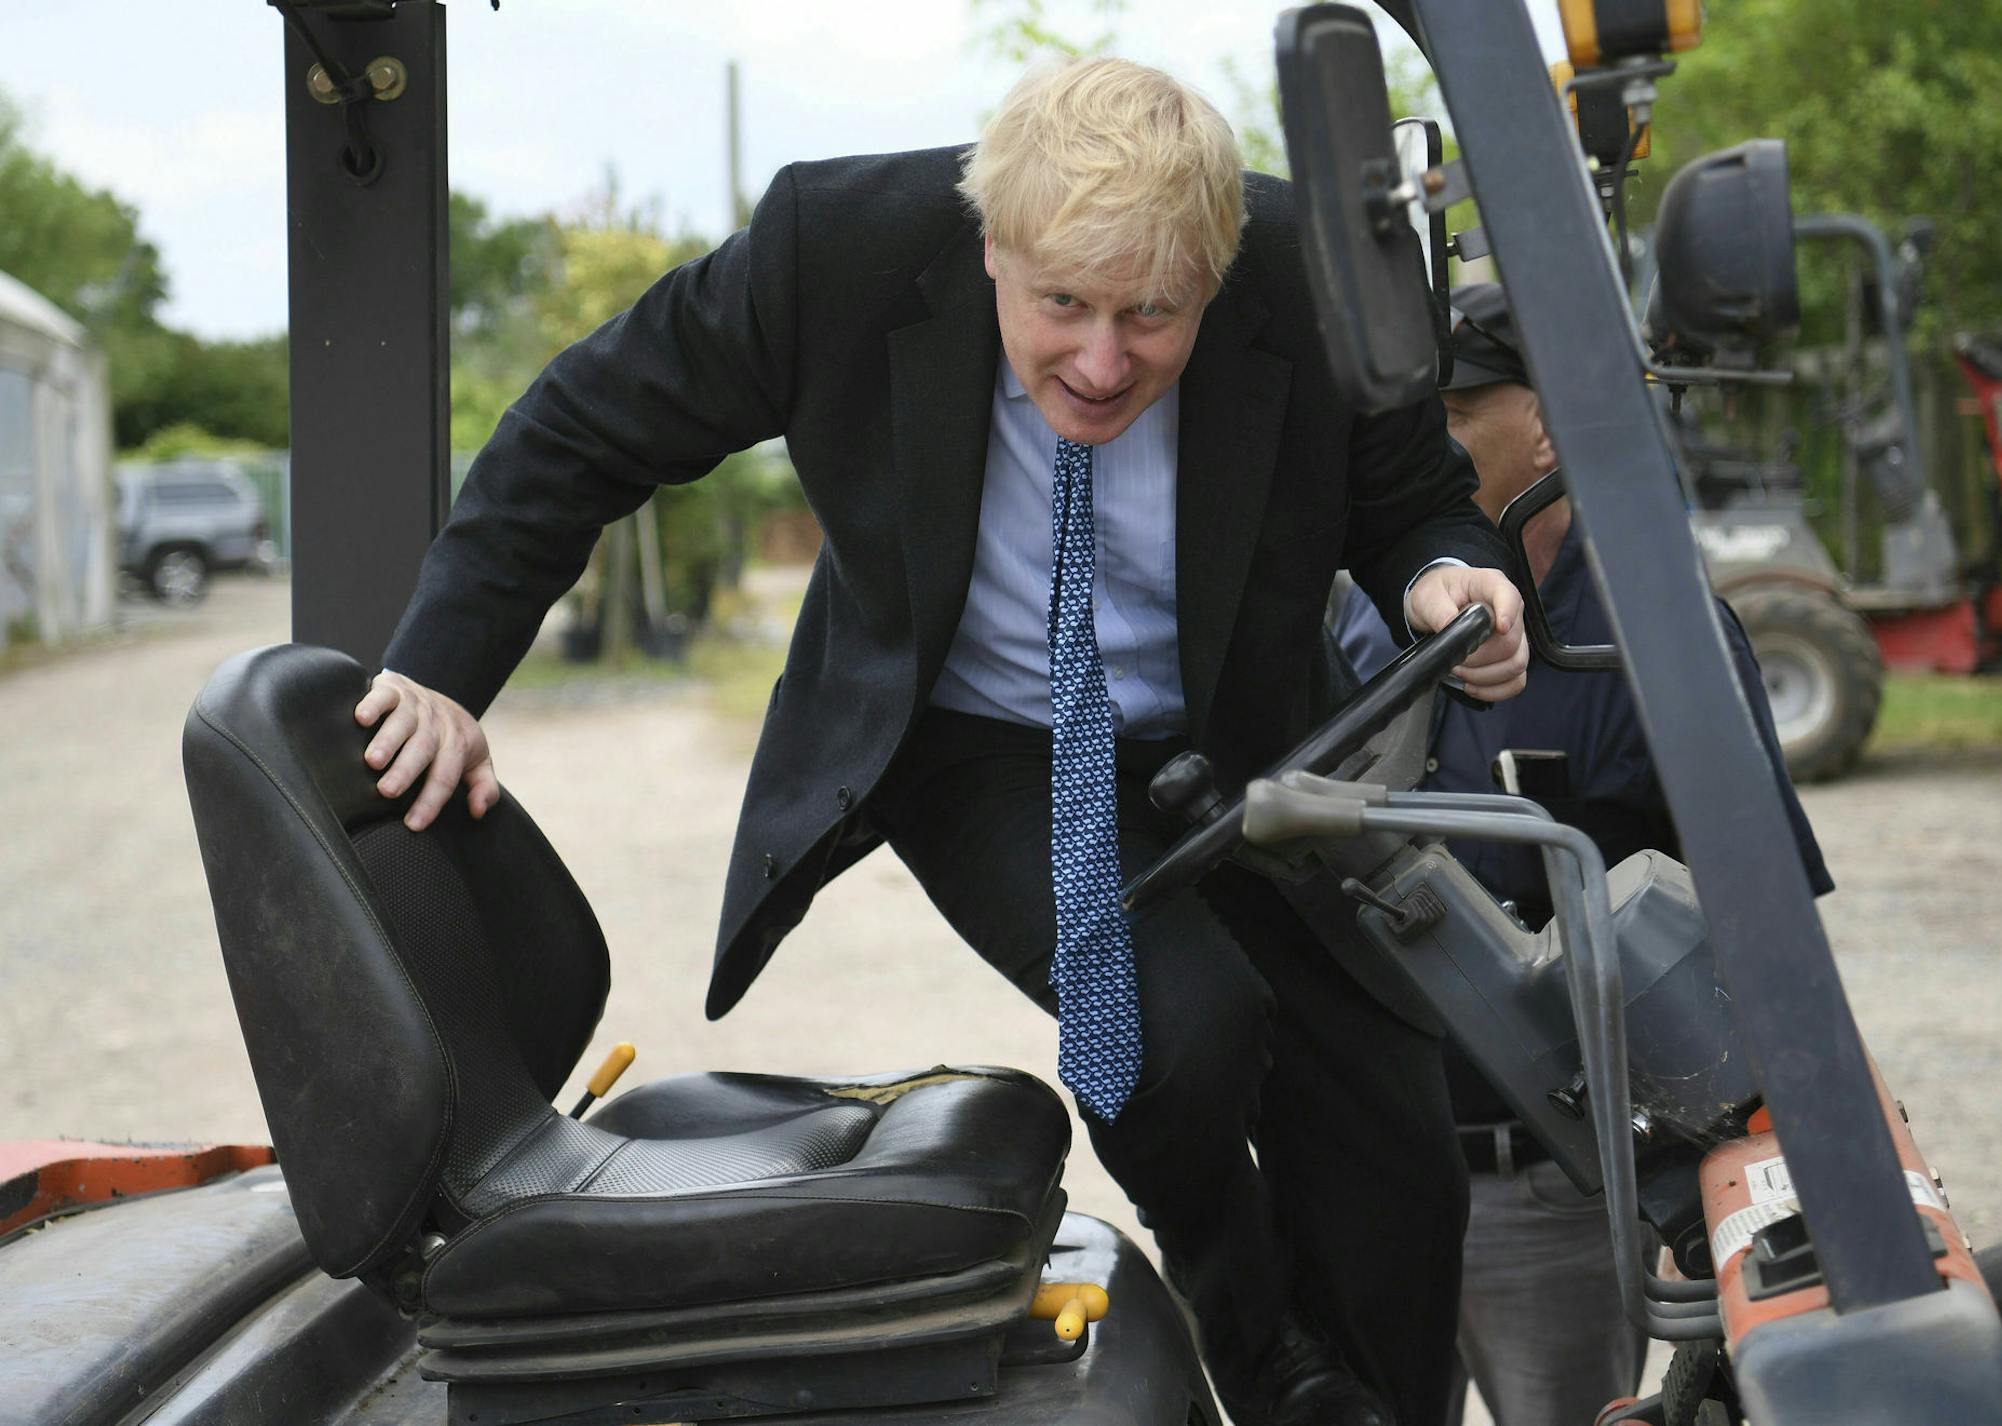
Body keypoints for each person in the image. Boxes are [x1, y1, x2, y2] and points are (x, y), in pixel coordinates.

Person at [353, 60, 1529, 1426]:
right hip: (987, 742)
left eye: (1153, 315)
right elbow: (583, 428)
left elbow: (1417, 507)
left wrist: (1453, 577)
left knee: (1395, 1134)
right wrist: (440, 671)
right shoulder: (831, 252)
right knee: (1182, 1025)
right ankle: (1263, 1350)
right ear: (991, 247)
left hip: (1251, 734)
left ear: (1219, 273)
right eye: (1065, 307)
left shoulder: (1315, 280)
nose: (1101, 363)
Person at [1332, 283, 1831, 1426]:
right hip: (1358, 1164)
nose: (1418, 447)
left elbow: (1766, 936)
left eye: (1451, 414)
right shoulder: (1350, 609)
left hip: (1546, 1185)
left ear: (1548, 420)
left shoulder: (1659, 634)